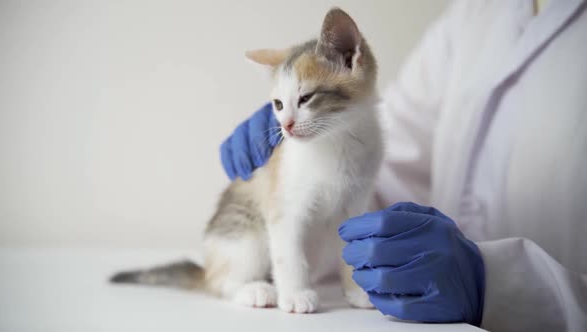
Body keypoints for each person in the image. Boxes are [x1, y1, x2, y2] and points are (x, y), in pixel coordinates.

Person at [219, 0, 587, 331]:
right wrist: (323, 137)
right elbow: (385, 176)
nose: (283, 122)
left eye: (298, 101)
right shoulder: (476, 13)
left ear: (350, 57)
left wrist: (496, 282)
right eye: (278, 106)